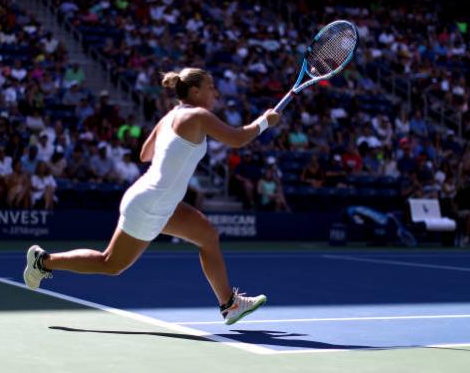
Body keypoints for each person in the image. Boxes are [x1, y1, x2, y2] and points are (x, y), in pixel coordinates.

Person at [24, 67, 280, 325]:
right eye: (210, 87)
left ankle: (230, 305)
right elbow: (237, 139)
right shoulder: (199, 115)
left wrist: (174, 149)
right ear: (194, 91)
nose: (215, 92)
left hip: (155, 199)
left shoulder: (170, 117)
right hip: (150, 204)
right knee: (110, 264)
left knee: (207, 235)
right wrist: (264, 122)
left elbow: (145, 154)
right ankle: (43, 262)